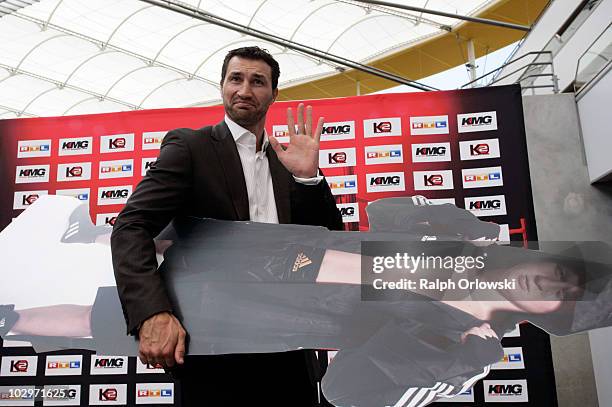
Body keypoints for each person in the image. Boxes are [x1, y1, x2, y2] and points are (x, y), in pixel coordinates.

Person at [2, 196, 611, 407]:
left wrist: (445, 357)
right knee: (159, 240)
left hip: (260, 316)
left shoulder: (469, 350)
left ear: (553, 317)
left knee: (104, 319)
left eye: (563, 296)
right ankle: (84, 237)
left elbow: (347, 390)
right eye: (560, 272)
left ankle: (10, 320)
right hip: (279, 253)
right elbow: (384, 215)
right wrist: (449, 224)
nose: (547, 284)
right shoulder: (466, 244)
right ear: (543, 256)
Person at [109, 46, 343, 405]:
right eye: (236, 78)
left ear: (274, 94)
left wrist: (309, 179)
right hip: (215, 354)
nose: (245, 90)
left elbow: (328, 244)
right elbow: (131, 226)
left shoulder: (290, 160)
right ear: (222, 85)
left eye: (258, 82)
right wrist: (153, 313)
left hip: (289, 352)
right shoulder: (191, 147)